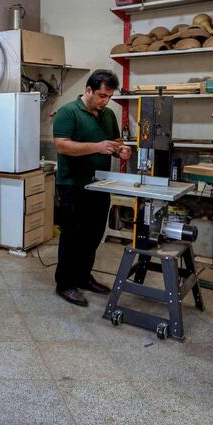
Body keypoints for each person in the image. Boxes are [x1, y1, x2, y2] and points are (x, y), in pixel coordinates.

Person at [52, 69, 131, 306]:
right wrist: (97, 147)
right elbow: (62, 146)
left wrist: (122, 150)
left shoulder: (107, 115)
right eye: (101, 95)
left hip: (100, 185)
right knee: (72, 236)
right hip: (73, 186)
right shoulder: (68, 112)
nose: (105, 101)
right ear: (88, 90)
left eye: (109, 96)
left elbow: (116, 142)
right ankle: (65, 284)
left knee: (93, 235)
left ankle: (84, 277)